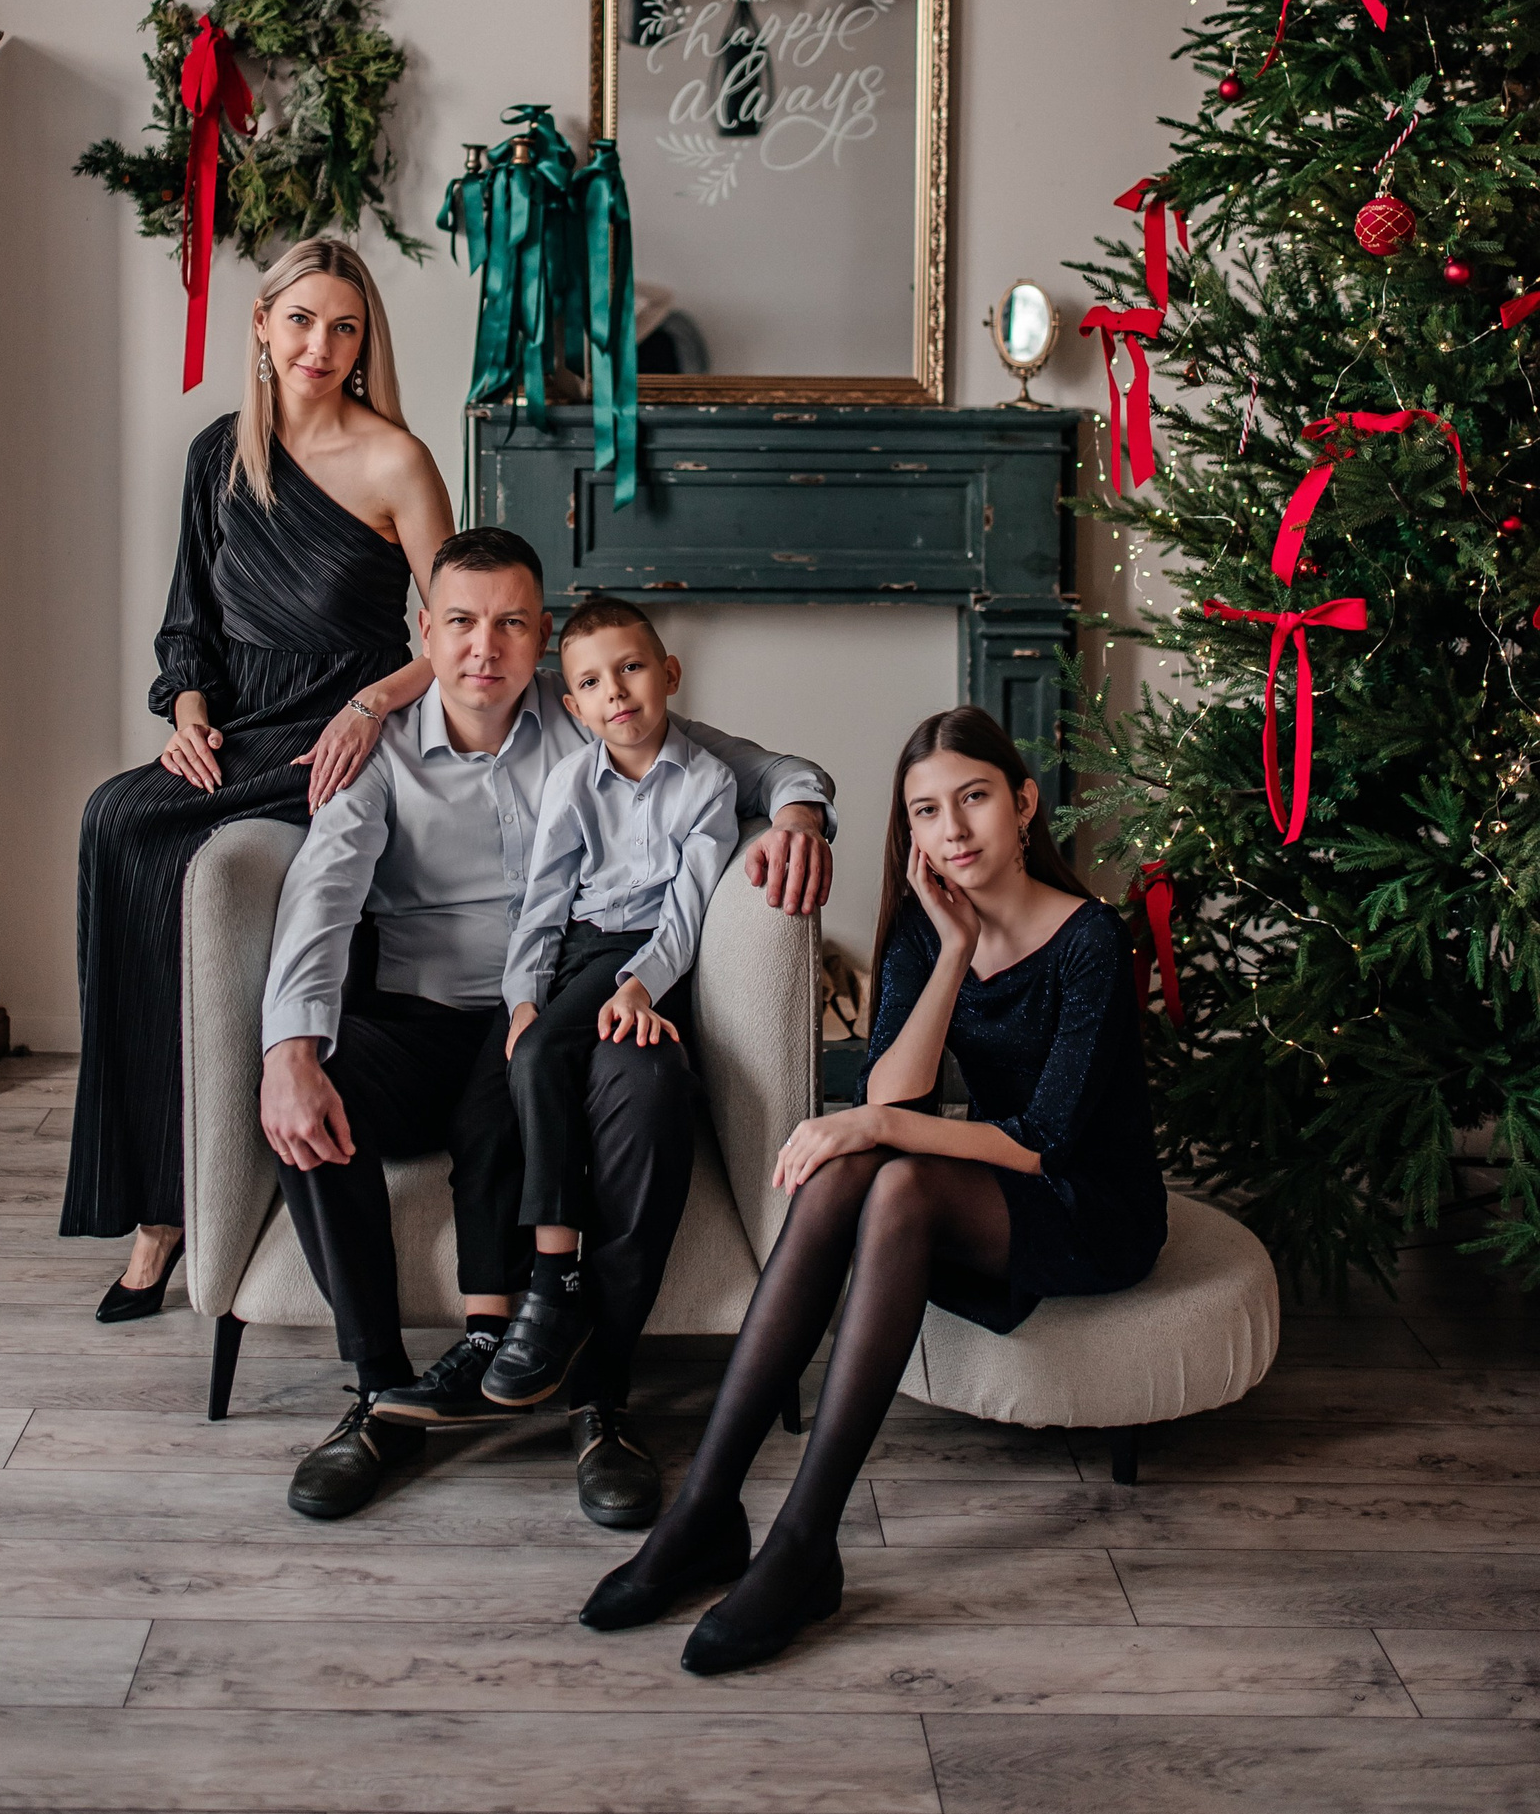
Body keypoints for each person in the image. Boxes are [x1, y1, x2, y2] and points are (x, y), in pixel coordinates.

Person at [258, 527, 835, 1528]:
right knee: (304, 1089)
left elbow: (768, 767)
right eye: (462, 623)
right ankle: (383, 1395)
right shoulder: (379, 755)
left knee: (653, 1086)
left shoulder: (588, 719)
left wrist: (800, 817)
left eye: (512, 624)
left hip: (561, 1010)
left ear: (542, 638)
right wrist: (290, 1047)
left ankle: (599, 1395)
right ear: (426, 635)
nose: (485, 647)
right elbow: (320, 896)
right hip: (424, 1017)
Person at [582, 703, 1167, 1673]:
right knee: (858, 1164)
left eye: (975, 799)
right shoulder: (931, 926)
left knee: (894, 1183)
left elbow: (1045, 1142)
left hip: (1087, 1205)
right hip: (994, 1183)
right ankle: (705, 1510)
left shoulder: (1089, 940)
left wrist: (874, 1124)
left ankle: (805, 1541)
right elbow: (897, 1095)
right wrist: (951, 952)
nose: (953, 830)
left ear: (1024, 803)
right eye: (927, 811)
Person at [60, 237, 454, 1322]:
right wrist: (187, 714)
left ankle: (194, 1195)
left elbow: (458, 630)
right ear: (263, 326)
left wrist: (372, 706)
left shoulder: (398, 460)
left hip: (337, 736)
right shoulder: (217, 454)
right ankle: (160, 1202)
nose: (321, 345)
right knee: (115, 821)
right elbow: (187, 618)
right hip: (234, 732)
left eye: (344, 327)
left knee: (167, 855)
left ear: (366, 342)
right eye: (301, 320)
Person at [485, 597, 738, 1410]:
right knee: (534, 1051)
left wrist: (642, 984)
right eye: (592, 682)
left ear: (670, 673)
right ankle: (552, 1278)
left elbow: (687, 915)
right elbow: (541, 904)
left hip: (656, 960)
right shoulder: (570, 781)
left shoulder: (709, 783)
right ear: (574, 705)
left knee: (576, 1063)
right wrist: (523, 997)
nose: (616, 692)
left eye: (631, 669)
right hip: (582, 953)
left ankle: (557, 1286)